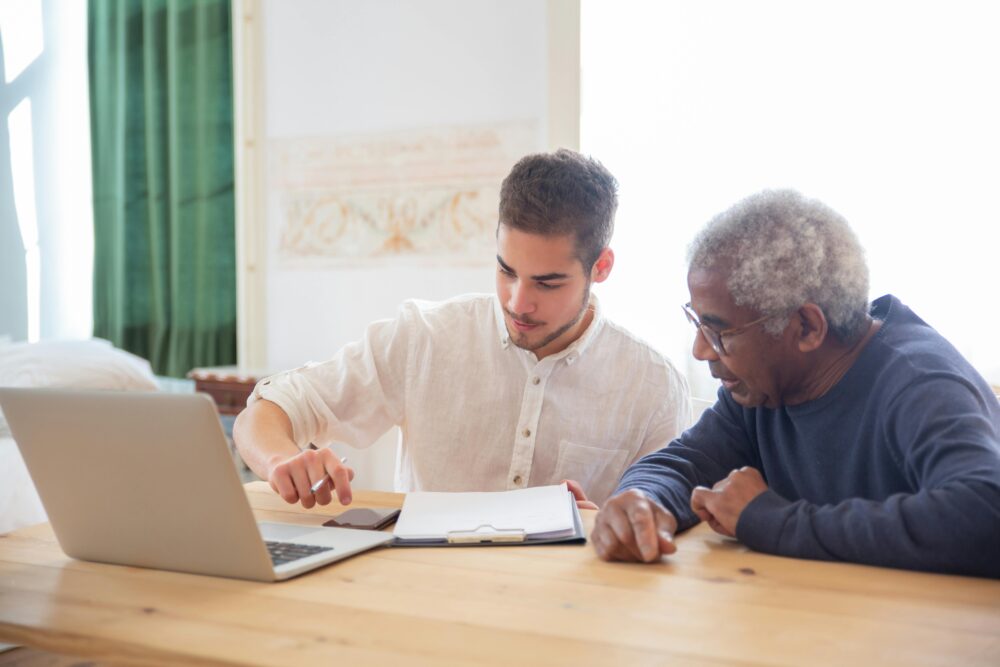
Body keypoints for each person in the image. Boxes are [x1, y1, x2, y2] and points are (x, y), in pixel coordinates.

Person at [233, 149, 691, 510]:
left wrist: (609, 527)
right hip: (424, 590)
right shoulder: (424, 338)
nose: (518, 302)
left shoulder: (652, 386)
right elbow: (266, 410)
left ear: (602, 267)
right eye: (506, 270)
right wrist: (282, 460)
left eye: (547, 283)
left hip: (567, 596)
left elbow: (663, 519)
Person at [592, 189, 1000, 577]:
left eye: (719, 332)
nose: (701, 350)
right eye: (697, 323)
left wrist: (770, 520)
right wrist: (642, 501)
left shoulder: (921, 384)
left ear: (806, 327)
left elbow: (985, 514)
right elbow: (685, 463)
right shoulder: (761, 388)